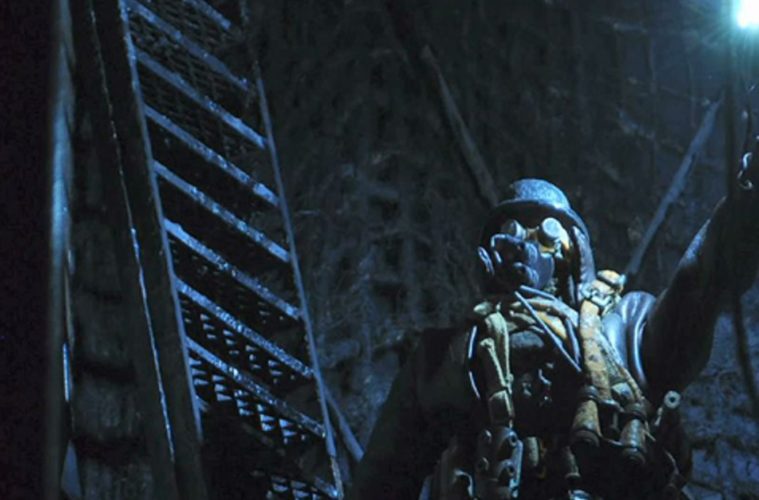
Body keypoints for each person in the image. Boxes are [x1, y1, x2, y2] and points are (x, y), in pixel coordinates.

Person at [347, 149, 759, 499]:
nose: (524, 243)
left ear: (574, 255)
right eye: (512, 229)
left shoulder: (622, 329)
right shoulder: (449, 356)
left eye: (545, 231)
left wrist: (749, 193)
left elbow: (700, 281)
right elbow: (382, 482)